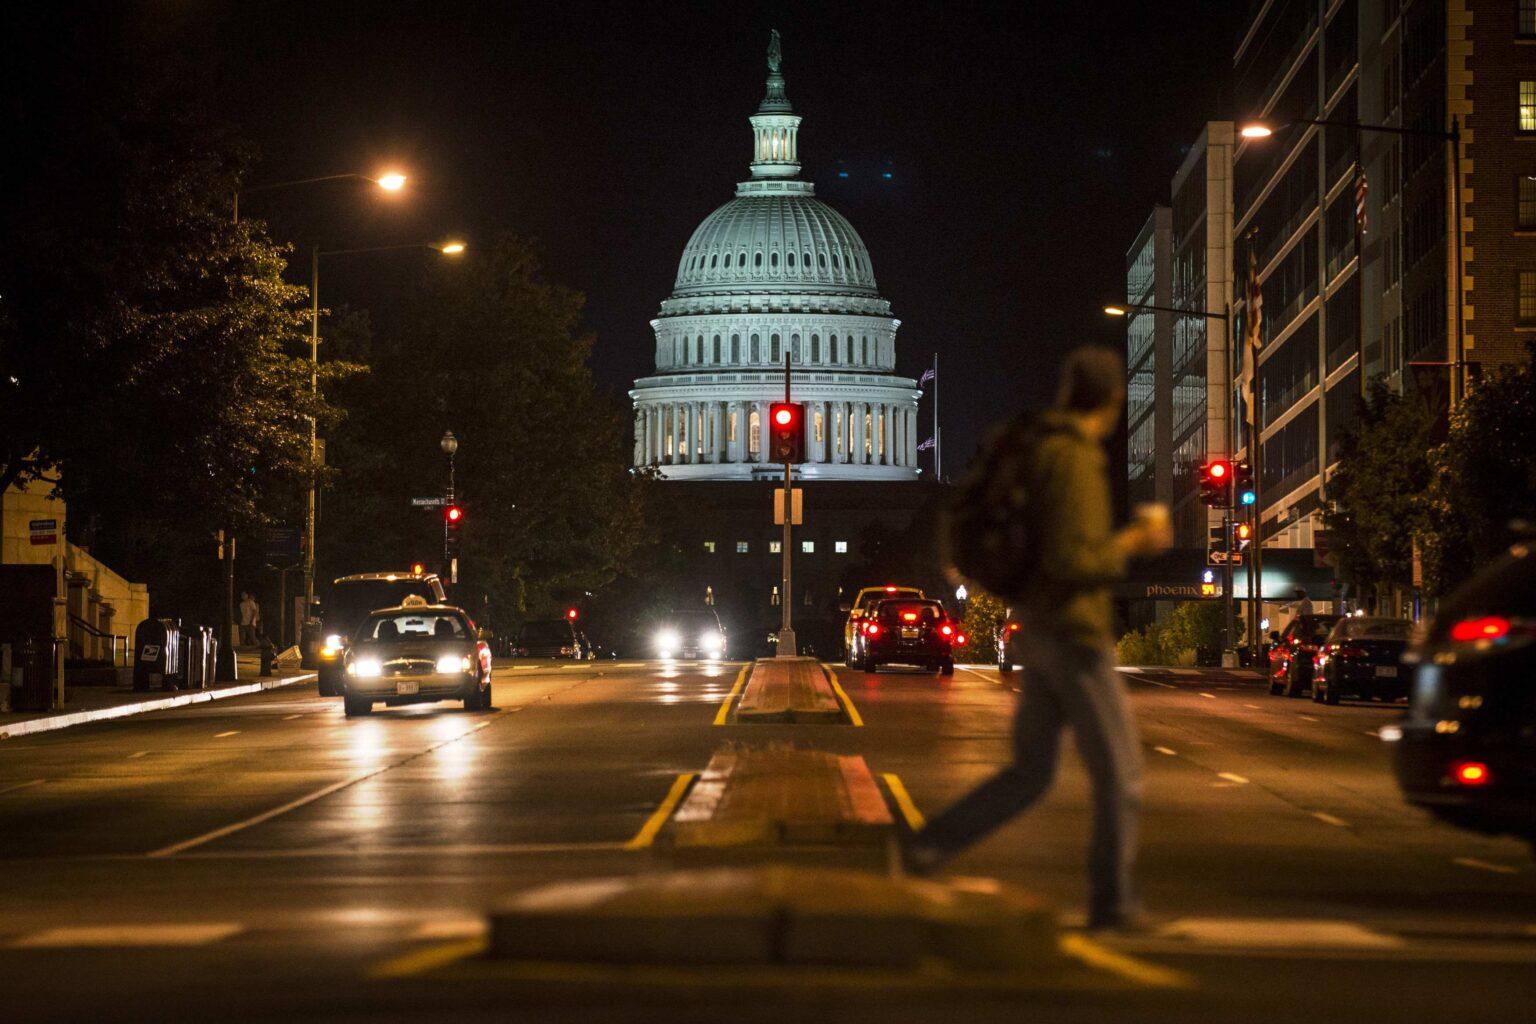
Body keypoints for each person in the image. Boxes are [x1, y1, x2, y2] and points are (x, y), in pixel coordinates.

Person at [904, 346, 1173, 931]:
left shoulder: (1034, 443)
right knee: (1122, 775)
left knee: (1031, 773)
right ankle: (1113, 903)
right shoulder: (1073, 457)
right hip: (1074, 632)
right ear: (1110, 401)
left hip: (1037, 628)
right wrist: (1135, 541)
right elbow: (1074, 558)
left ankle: (921, 850)